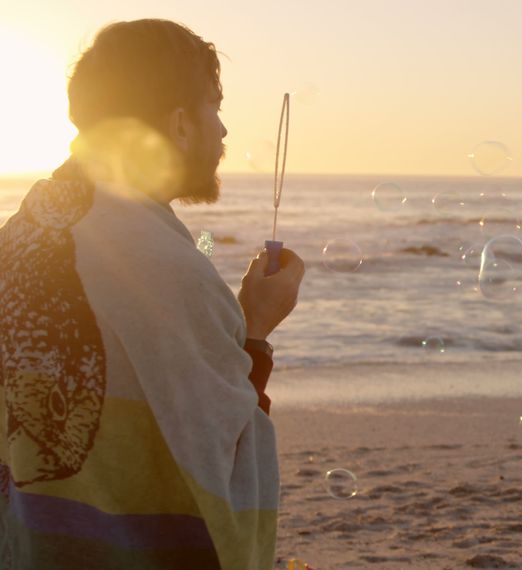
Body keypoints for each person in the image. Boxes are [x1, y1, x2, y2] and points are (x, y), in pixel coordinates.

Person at [0, 19, 304, 569]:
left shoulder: (23, 234)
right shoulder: (168, 271)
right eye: (215, 106)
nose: (224, 132)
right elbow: (222, 472)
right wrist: (254, 331)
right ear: (182, 124)